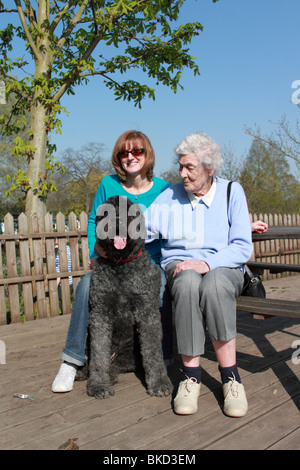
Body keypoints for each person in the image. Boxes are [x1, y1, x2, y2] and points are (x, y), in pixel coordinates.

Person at [52, 130, 172, 393]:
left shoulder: (164, 189)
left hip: (147, 261)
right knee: (85, 288)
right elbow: (95, 219)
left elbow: (181, 220)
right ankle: (72, 360)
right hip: (110, 260)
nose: (130, 157)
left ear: (147, 154)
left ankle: (160, 362)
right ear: (119, 158)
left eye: (137, 151)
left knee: (160, 290)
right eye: (124, 152)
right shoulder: (108, 183)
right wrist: (97, 251)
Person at [144, 132, 253, 417]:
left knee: (215, 283)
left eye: (189, 167)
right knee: (188, 282)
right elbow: (142, 229)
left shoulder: (232, 191)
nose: (182, 174)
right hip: (180, 265)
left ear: (209, 168)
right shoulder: (170, 196)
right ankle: (190, 377)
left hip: (224, 268)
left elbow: (242, 247)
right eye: (180, 166)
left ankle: (231, 377)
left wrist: (207, 263)